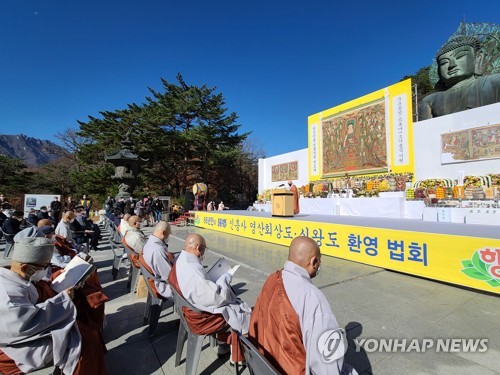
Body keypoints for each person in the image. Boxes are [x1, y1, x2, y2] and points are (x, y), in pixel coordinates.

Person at [249, 236, 356, 375]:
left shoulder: (272, 279)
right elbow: (326, 364)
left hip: (264, 364)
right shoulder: (312, 297)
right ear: (314, 261)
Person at [0, 237, 106, 374]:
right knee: (82, 342)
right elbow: (24, 325)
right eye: (45, 266)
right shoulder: (8, 294)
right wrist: (63, 299)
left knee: (85, 327)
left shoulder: (17, 275)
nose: (47, 269)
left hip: (29, 332)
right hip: (17, 345)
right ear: (25, 267)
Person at [167, 234, 252, 363]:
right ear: (198, 248)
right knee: (240, 311)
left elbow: (204, 290)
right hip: (199, 319)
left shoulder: (181, 259)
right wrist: (225, 278)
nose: (203, 255)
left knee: (233, 305)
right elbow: (217, 297)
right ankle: (239, 354)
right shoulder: (192, 269)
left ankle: (223, 346)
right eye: (204, 250)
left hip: (188, 308)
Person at [419, 35, 500, 120]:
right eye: (444, 63)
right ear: (439, 70)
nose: (452, 65)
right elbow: (425, 130)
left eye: (460, 56)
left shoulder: (495, 82)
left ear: (478, 58)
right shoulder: (430, 101)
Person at [140, 221, 174, 298]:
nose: (168, 236)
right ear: (164, 233)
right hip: (164, 286)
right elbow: (169, 276)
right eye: (168, 234)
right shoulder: (158, 251)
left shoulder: (149, 243)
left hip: (157, 277)